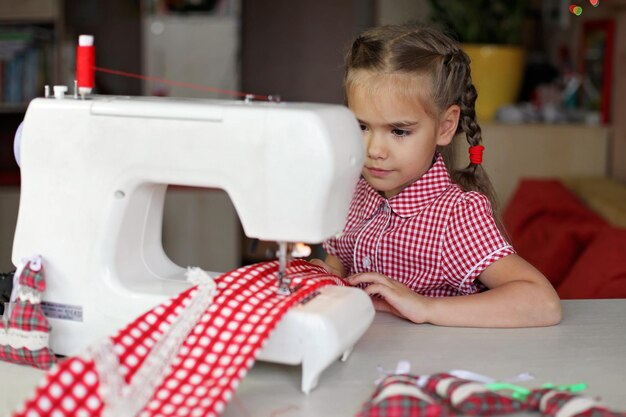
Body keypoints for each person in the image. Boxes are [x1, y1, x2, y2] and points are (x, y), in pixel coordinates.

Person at [311, 25, 562, 328]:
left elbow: (542, 303)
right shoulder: (355, 194)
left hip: (433, 364)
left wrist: (426, 307)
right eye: (362, 126)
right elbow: (338, 262)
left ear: (445, 127)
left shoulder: (456, 217)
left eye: (399, 131)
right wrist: (324, 277)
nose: (374, 149)